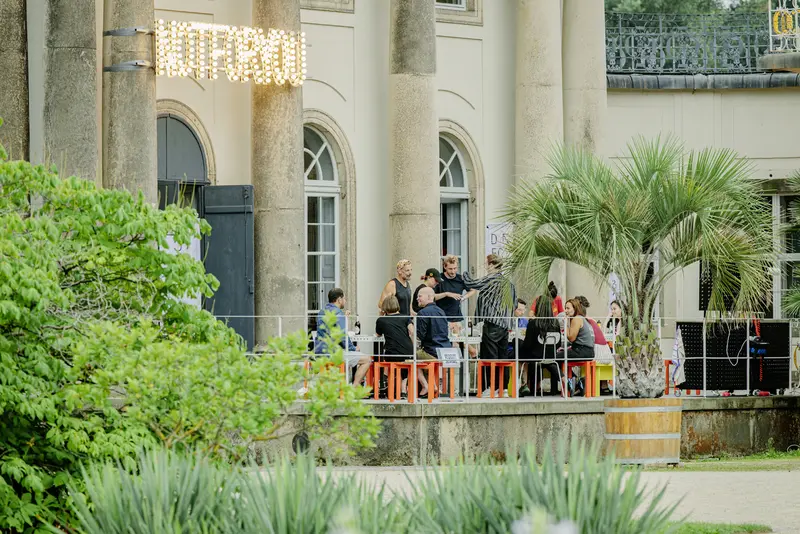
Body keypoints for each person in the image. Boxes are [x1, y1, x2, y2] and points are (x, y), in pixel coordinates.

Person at [463, 254, 517, 397]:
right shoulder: (509, 283)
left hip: (492, 323)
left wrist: (464, 273)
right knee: (503, 357)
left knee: (490, 356)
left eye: (486, 263)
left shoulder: (491, 279)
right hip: (505, 325)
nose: (485, 266)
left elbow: (471, 284)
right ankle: (503, 388)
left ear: (492, 264)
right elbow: (515, 304)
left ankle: (491, 388)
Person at [314, 288, 372, 387]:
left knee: (347, 358)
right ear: (339, 299)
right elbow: (342, 336)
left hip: (320, 352)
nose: (345, 301)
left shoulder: (322, 311)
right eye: (344, 299)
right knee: (367, 359)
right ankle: (354, 387)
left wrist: (344, 318)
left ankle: (339, 387)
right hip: (332, 353)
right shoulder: (338, 313)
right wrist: (353, 348)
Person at [521, 294, 562, 396]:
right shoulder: (556, 323)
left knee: (520, 350)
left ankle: (524, 384)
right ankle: (555, 387)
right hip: (551, 356)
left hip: (536, 356)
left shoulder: (533, 323)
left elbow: (528, 345)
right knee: (546, 359)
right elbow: (558, 344)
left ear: (538, 308)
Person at [375, 295, 416, 395]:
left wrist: (381, 315)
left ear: (384, 307)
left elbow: (378, 334)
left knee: (388, 358)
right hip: (408, 351)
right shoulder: (405, 317)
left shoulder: (381, 320)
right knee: (405, 363)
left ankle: (386, 383)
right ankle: (402, 389)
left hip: (392, 352)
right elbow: (412, 331)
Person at [414, 286, 451, 396]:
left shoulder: (422, 313)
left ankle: (427, 386)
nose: (417, 299)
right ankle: (434, 385)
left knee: (410, 356)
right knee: (420, 356)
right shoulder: (441, 311)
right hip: (445, 351)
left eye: (419, 296)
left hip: (432, 352)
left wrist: (411, 330)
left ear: (429, 297)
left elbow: (420, 336)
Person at [435, 255, 476, 332]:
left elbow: (473, 290)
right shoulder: (439, 279)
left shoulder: (460, 279)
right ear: (445, 266)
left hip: (456, 318)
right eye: (450, 269)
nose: (453, 271)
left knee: (458, 342)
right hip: (440, 317)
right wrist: (446, 294)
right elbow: (431, 297)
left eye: (455, 268)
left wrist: (463, 298)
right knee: (444, 342)